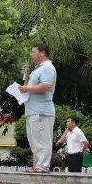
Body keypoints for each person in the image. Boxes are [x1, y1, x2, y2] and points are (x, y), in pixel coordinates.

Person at [18, 43, 57, 173]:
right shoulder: (38, 69)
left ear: (42, 53)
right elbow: (27, 88)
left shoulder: (48, 67)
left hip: (42, 111)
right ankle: (38, 165)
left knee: (42, 140)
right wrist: (27, 76)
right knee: (34, 141)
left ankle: (43, 166)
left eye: (33, 52)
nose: (31, 54)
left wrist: (27, 88)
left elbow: (46, 86)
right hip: (32, 111)